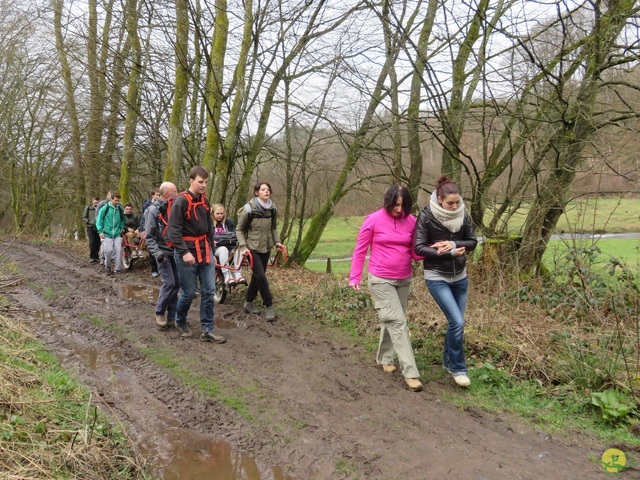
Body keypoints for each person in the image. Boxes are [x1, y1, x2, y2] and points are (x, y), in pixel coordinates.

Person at [348, 185, 424, 392]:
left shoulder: (411, 221)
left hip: (404, 279)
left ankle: (384, 357)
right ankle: (411, 372)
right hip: (381, 280)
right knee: (398, 323)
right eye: (396, 205)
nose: (399, 210)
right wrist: (354, 277)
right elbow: (360, 250)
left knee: (392, 319)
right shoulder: (373, 220)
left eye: (403, 206)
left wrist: (432, 251)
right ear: (387, 202)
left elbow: (415, 253)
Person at [413, 176, 477, 388]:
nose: (455, 206)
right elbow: (419, 248)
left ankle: (449, 363)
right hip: (437, 276)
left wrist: (452, 243)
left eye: (457, 202)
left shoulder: (464, 215)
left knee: (455, 322)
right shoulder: (427, 216)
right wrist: (448, 253)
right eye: (450, 203)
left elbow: (472, 242)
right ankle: (459, 369)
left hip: (460, 277)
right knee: (458, 322)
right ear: (439, 199)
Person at [166, 166, 225, 344]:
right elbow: (173, 231)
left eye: (206, 182)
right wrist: (184, 252)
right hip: (187, 252)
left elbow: (209, 229)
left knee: (209, 291)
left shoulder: (205, 202)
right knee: (189, 292)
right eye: (200, 182)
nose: (204, 185)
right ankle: (180, 320)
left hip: (204, 250)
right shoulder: (180, 201)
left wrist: (211, 251)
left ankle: (208, 329)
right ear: (191, 180)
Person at [236, 182, 283, 322]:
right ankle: (269, 305)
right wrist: (243, 246)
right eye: (263, 189)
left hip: (266, 248)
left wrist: (277, 242)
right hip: (252, 249)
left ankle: (248, 303)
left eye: (268, 189)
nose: (266, 191)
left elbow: (273, 228)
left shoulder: (273, 209)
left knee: (257, 277)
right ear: (257, 192)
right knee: (261, 277)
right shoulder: (248, 209)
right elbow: (239, 230)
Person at [144, 182, 179, 330]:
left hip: (175, 252)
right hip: (162, 253)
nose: (178, 194)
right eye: (175, 192)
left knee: (177, 284)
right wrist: (158, 254)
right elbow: (149, 237)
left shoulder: (174, 209)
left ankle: (172, 316)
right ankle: (159, 312)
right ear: (166, 194)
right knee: (169, 283)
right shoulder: (153, 211)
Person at [212, 204, 246, 286]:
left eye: (221, 213)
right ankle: (227, 275)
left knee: (239, 248)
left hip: (230, 247)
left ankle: (238, 274)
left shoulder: (229, 223)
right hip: (215, 249)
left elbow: (234, 236)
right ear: (213, 214)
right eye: (217, 214)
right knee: (223, 249)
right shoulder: (208, 224)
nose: (220, 215)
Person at [95, 192, 126, 274]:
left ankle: (118, 268)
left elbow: (123, 219)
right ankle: (108, 266)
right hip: (107, 233)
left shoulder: (119, 208)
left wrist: (121, 227)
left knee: (119, 250)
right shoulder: (105, 208)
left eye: (118, 200)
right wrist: (100, 231)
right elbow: (99, 221)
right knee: (108, 251)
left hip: (117, 233)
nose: (117, 202)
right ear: (111, 199)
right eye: (116, 200)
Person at [140, 188, 160, 277]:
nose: (158, 197)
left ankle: (161, 269)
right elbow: (143, 218)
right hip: (150, 228)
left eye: (159, 195)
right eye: (157, 195)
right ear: (153, 195)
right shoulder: (146, 205)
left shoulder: (162, 204)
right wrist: (143, 228)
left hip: (159, 229)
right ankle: (154, 269)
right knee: (152, 250)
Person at [82, 197, 101, 263]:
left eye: (97, 202)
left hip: (98, 228)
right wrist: (88, 221)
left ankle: (96, 256)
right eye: (95, 202)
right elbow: (84, 217)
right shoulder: (88, 208)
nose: (96, 203)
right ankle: (92, 257)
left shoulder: (101, 208)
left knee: (98, 242)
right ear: (92, 201)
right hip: (90, 227)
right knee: (92, 241)